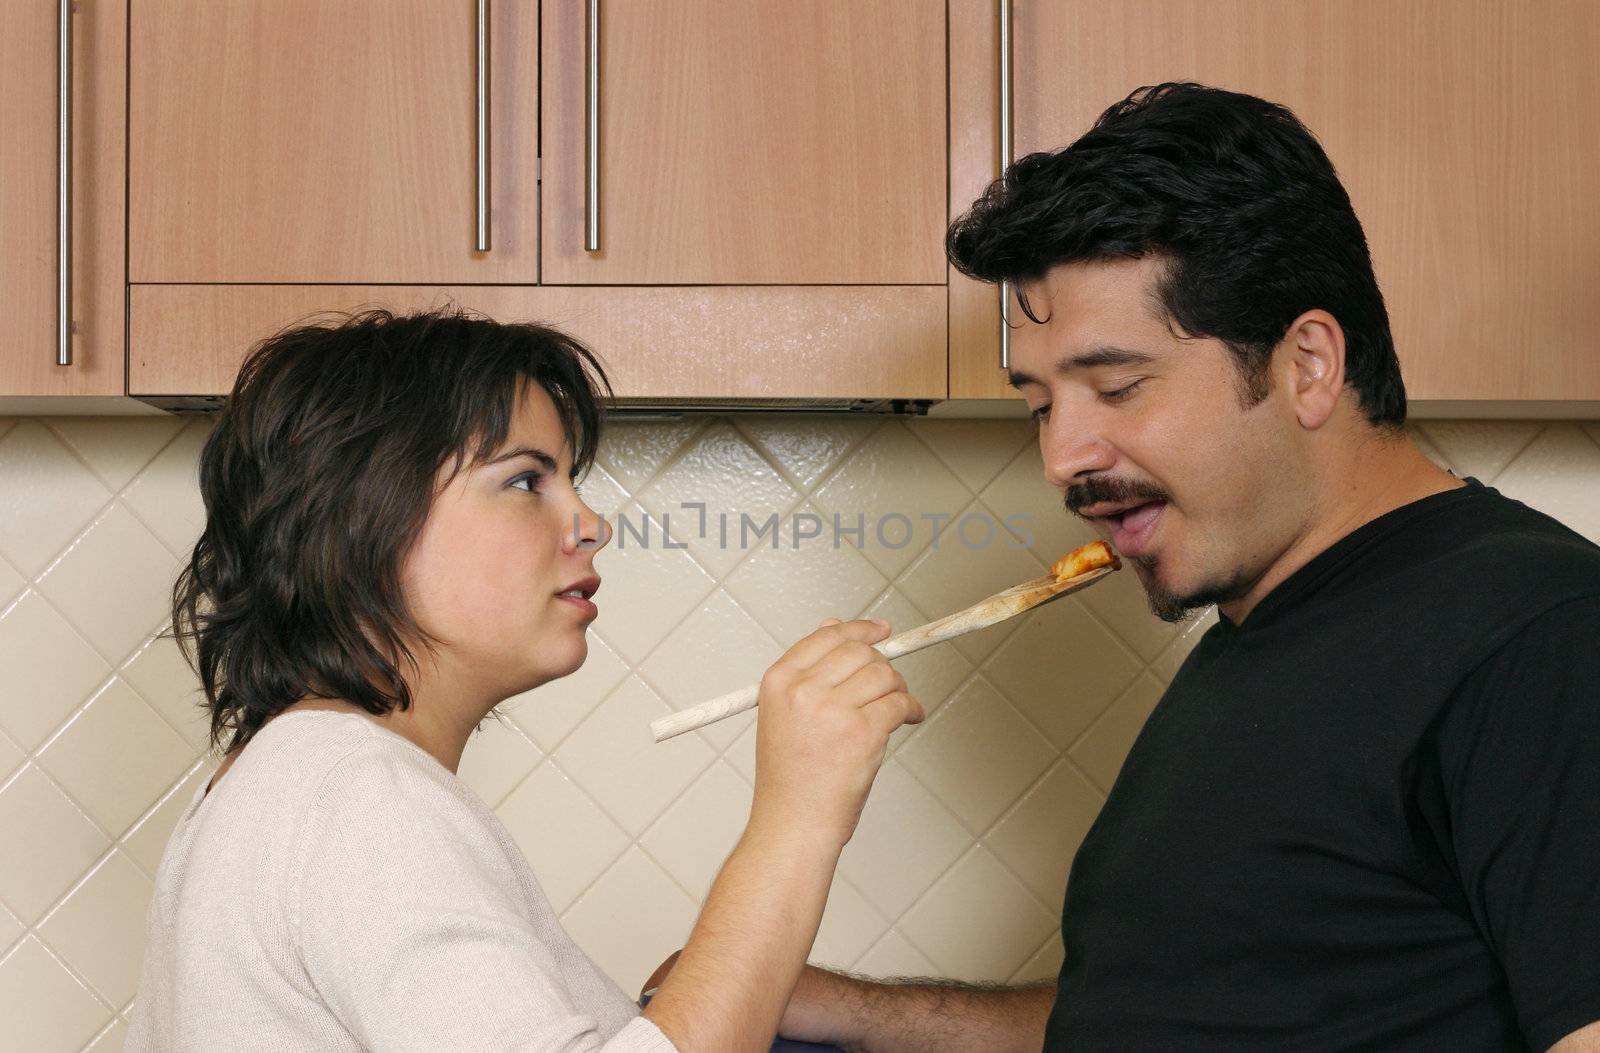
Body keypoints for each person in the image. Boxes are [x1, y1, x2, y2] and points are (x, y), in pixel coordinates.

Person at [677, 83, 1600, 1051]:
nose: (1061, 456)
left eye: (1115, 386)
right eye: (1040, 405)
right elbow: (1189, 1013)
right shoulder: (1261, 627)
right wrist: (869, 1018)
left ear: (1308, 366)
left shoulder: (1539, 641)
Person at [124, 309, 922, 1052]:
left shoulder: (294, 774)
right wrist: (797, 818)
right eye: (525, 480)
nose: (590, 523)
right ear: (362, 516)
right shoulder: (354, 793)